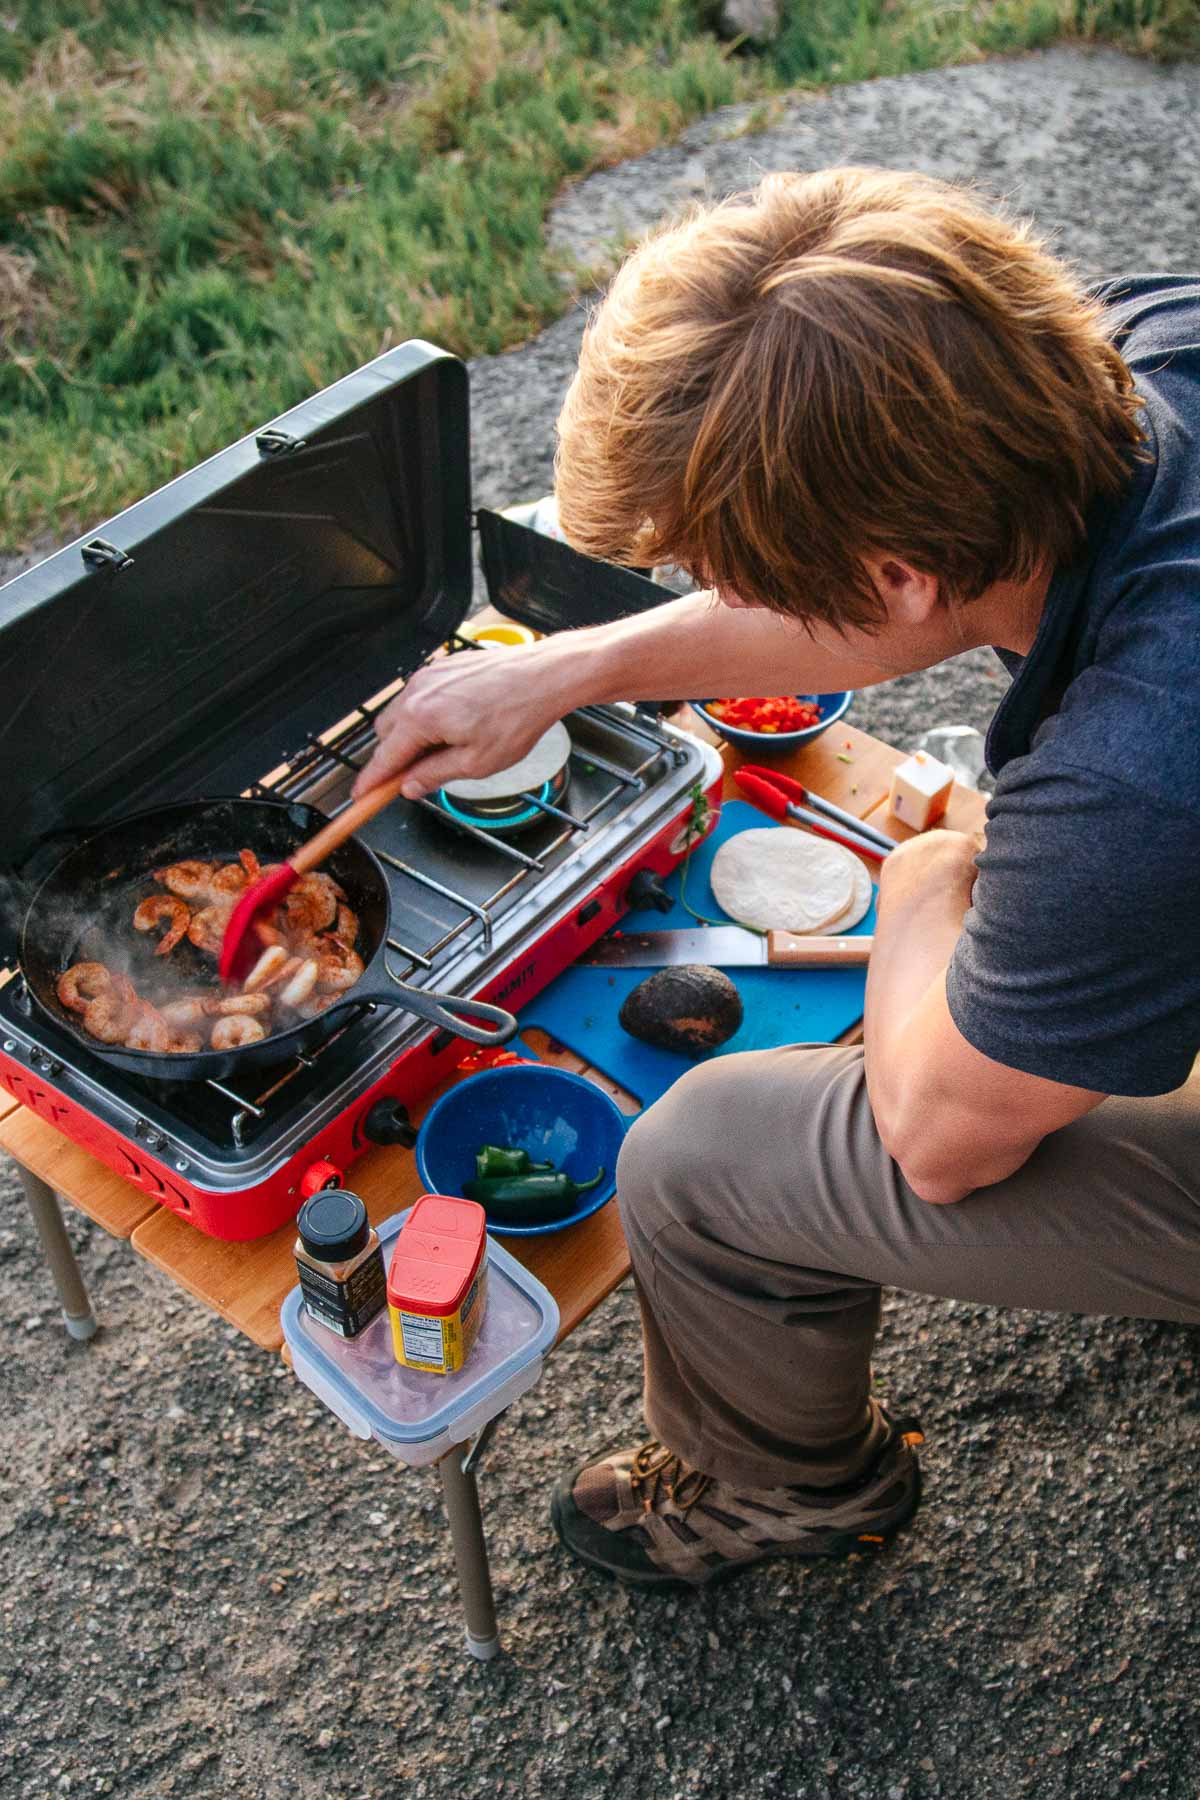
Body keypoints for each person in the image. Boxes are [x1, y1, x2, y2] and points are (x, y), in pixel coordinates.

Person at [355, 167, 1200, 1588]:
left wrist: (937, 873)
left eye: (740, 576)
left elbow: (942, 1138)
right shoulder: (1142, 355)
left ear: (899, 578)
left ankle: (783, 1493)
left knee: (701, 1156)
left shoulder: (1141, 767)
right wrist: (580, 666)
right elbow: (879, 604)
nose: (727, 597)